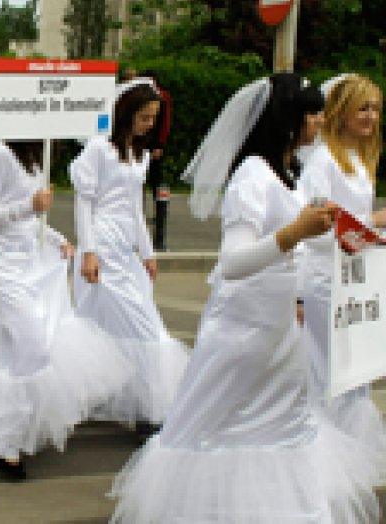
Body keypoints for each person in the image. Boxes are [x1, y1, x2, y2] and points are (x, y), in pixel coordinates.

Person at [109, 73, 381, 523]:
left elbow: (306, 241)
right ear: (288, 120)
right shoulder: (251, 177)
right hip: (244, 328)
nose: (317, 123)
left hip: (276, 328)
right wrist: (296, 232)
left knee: (286, 424)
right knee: (219, 423)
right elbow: (233, 261)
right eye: (310, 114)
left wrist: (338, 229)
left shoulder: (285, 174)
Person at [0, 97, 133, 479]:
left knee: (8, 353)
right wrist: (28, 206)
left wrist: (57, 237)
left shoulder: (36, 159)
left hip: (28, 264)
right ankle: (7, 440)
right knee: (33, 346)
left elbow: (31, 222)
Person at [69, 79, 188, 435]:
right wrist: (88, 251)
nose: (149, 125)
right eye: (144, 118)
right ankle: (149, 409)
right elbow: (83, 202)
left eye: (153, 118)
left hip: (125, 250)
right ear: (126, 113)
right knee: (141, 327)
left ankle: (127, 400)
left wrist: (147, 251)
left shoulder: (138, 154)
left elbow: (137, 207)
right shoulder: (98, 149)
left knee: (112, 323)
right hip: (101, 247)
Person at [298, 73, 386, 478]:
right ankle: (321, 462)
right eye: (363, 108)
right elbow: (313, 226)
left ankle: (351, 457)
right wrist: (373, 223)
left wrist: (374, 234)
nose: (371, 117)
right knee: (329, 370)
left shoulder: (362, 159)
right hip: (322, 279)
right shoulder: (322, 161)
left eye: (375, 109)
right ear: (342, 111)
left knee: (356, 369)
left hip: (355, 277)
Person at [140, 70, 172, 251]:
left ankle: (159, 238)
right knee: (141, 190)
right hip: (143, 147)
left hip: (153, 148)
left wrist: (159, 145)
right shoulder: (144, 96)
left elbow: (164, 123)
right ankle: (146, 235)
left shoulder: (162, 97)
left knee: (159, 190)